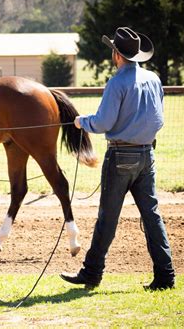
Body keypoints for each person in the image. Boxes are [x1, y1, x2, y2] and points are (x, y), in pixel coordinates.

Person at [60, 27, 175, 291]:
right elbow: (159, 119)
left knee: (107, 218)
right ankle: (165, 276)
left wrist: (81, 122)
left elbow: (103, 122)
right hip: (147, 156)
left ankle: (92, 273)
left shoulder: (117, 82)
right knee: (152, 217)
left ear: (117, 55)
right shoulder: (154, 79)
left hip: (121, 155)